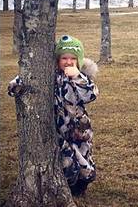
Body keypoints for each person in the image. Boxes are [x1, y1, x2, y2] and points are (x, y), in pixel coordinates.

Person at [8, 35, 99, 196]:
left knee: (83, 156)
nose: (68, 62)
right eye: (64, 58)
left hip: (78, 128)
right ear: (57, 59)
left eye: (73, 58)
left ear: (79, 61)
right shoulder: (48, 75)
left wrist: (77, 76)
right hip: (56, 128)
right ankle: (68, 183)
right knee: (65, 158)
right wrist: (17, 84)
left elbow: (90, 95)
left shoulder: (81, 77)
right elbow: (18, 84)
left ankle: (83, 183)